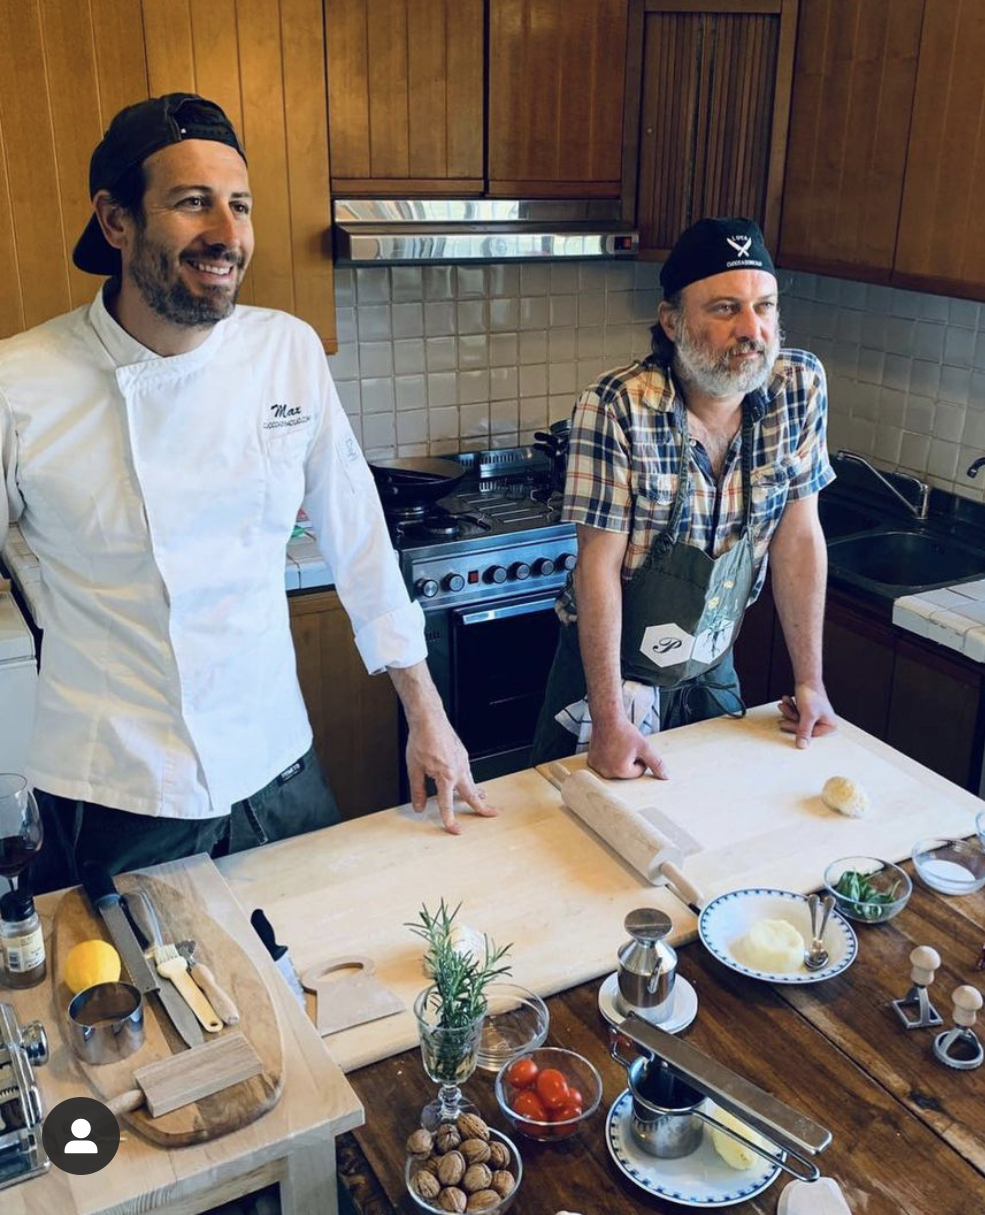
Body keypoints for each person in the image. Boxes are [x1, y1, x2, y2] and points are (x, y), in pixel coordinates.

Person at [0, 93, 492, 889]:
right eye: (193, 203)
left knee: (325, 976)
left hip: (277, 762)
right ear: (116, 221)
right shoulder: (20, 383)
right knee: (158, 1006)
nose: (228, 236)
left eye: (240, 205)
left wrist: (426, 713)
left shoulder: (285, 351)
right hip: (118, 790)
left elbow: (359, 537)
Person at [530, 216, 836, 778]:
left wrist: (809, 681)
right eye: (725, 308)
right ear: (671, 321)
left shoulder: (799, 388)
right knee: (576, 836)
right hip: (611, 675)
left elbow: (799, 536)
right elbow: (596, 569)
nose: (753, 329)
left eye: (764, 306)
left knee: (717, 826)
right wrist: (608, 720)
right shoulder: (618, 406)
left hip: (711, 665)